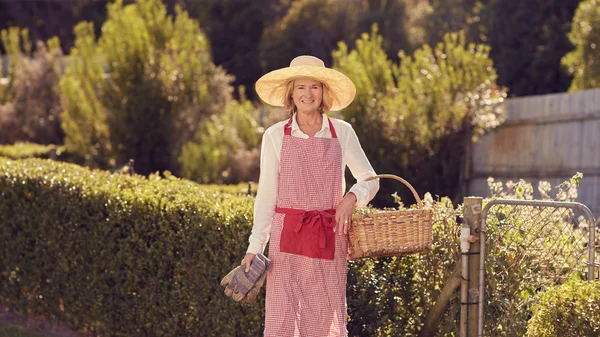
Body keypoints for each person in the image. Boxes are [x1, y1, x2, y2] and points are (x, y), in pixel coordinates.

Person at [242, 55, 379, 337]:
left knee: (323, 318)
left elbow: (370, 180)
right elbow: (266, 195)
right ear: (291, 93)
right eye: (301, 87)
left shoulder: (342, 132)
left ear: (324, 92)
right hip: (286, 238)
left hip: (328, 238)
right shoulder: (275, 135)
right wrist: (255, 245)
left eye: (314, 87)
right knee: (282, 319)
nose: (308, 94)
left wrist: (351, 198)